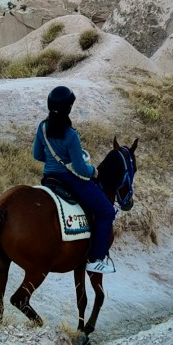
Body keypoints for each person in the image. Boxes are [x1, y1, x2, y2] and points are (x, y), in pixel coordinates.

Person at [32, 85, 117, 275]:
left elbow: (37, 154)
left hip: (49, 178)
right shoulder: (71, 135)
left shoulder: (42, 127)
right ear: (68, 108)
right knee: (106, 212)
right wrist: (93, 171)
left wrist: (54, 161)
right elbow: (80, 169)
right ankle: (95, 259)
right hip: (70, 180)